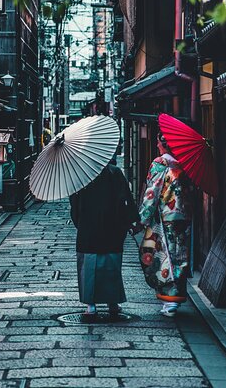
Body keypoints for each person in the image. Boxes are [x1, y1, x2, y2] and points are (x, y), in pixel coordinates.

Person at [70, 156, 139, 315]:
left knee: (89, 265)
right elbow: (125, 200)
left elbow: (74, 204)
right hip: (112, 227)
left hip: (88, 229)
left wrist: (80, 223)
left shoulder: (81, 175)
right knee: (111, 265)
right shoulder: (114, 172)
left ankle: (91, 306)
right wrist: (129, 222)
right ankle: (112, 303)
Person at [138, 132, 192, 317]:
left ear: (162, 145)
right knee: (179, 256)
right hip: (182, 217)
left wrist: (143, 217)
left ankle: (169, 300)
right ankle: (174, 297)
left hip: (164, 217)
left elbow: (152, 192)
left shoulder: (160, 164)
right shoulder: (182, 164)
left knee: (163, 257)